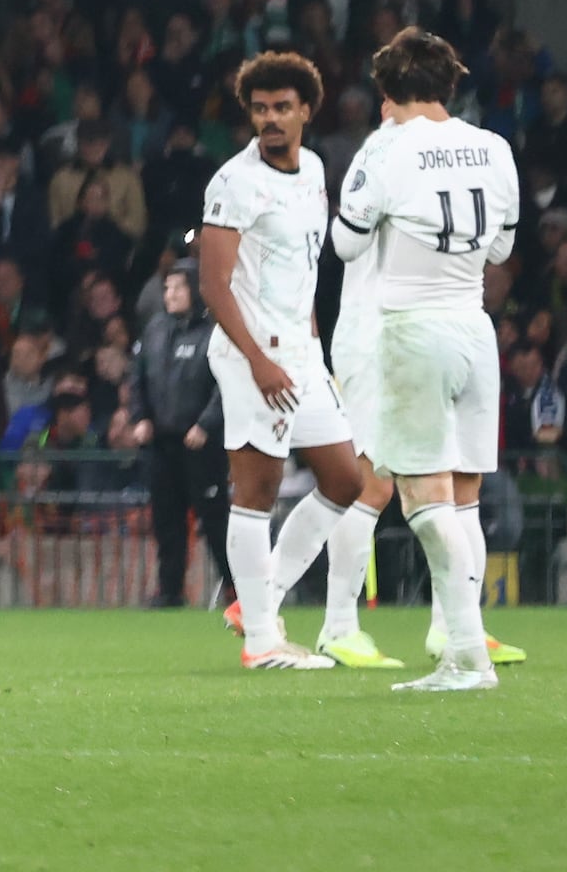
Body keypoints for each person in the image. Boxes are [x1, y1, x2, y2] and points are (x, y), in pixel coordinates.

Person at [330, 28, 520, 691]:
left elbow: (347, 245)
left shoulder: (386, 153)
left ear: (385, 91)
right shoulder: (494, 147)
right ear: (450, 84)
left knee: (422, 498)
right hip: (475, 328)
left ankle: (468, 656)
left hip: (413, 329)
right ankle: (461, 645)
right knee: (464, 499)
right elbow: (499, 252)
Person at [195, 51, 379, 669]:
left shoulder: (316, 170)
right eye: (259, 108)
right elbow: (215, 286)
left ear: (306, 110)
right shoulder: (233, 181)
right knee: (257, 491)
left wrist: (312, 347)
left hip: (302, 351)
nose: (270, 118)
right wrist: (258, 361)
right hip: (254, 355)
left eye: (281, 107)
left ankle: (259, 598)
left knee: (346, 478)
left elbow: (302, 272)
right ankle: (261, 644)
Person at [124, 262, 219, 613]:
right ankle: (169, 590)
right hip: (161, 443)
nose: (171, 294)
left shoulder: (213, 331)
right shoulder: (154, 329)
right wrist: (140, 417)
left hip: (201, 444)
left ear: (195, 289)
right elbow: (137, 378)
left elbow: (226, 385)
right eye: (167, 288)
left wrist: (206, 424)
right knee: (166, 521)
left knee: (215, 519)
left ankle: (238, 591)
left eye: (178, 287)